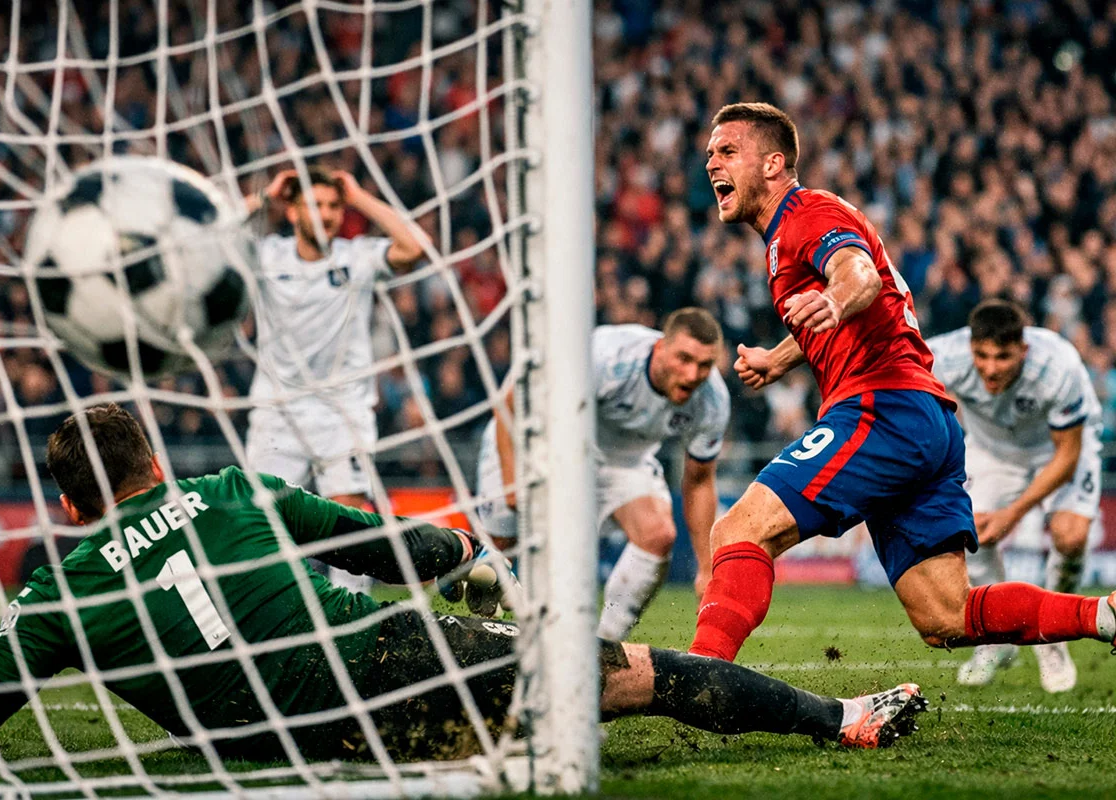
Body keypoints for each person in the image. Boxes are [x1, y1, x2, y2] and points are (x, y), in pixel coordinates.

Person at [0, 405, 926, 766]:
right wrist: (467, 560)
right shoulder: (228, 490)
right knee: (628, 674)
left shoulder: (64, 586)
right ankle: (841, 720)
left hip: (273, 753)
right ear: (150, 453)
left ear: (70, 498)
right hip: (381, 670)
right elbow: (377, 544)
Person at [688, 102, 1116, 663]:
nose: (711, 164)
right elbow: (860, 297)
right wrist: (782, 358)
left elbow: (857, 275)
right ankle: (1104, 615)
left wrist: (836, 299)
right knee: (947, 615)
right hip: (926, 421)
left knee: (738, 531)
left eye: (727, 151)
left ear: (773, 164)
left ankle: (698, 678)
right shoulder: (797, 228)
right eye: (709, 154)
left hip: (879, 410)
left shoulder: (806, 214)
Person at [477, 308, 730, 641]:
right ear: (660, 348)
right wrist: (513, 489)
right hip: (539, 440)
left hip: (623, 461)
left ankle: (604, 650)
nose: (693, 374)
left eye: (704, 365)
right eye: (684, 358)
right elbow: (510, 403)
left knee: (658, 533)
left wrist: (706, 568)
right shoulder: (606, 358)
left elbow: (698, 482)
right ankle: (461, 563)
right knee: (491, 561)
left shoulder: (712, 399)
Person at [243, 166, 424, 593]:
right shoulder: (267, 255)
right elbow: (208, 240)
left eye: (332, 206)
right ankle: (277, 621)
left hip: (342, 411)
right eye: (314, 204)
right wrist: (265, 197)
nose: (324, 214)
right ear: (292, 212)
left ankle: (349, 625)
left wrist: (358, 197)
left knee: (347, 527)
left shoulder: (356, 257)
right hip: (277, 411)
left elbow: (413, 247)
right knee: (261, 525)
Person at [927, 300, 1104, 692]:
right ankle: (995, 640)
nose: (990, 368)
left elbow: (1068, 455)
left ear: (1023, 350)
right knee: (969, 534)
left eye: (1003, 357)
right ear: (969, 347)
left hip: (1057, 451)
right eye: (982, 356)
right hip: (993, 452)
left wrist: (1013, 513)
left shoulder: (1058, 366)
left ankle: (1053, 638)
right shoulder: (943, 356)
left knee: (1070, 535)